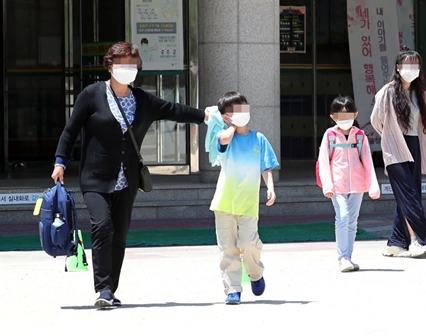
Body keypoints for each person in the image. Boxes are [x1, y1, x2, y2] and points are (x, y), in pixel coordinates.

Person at [51, 41, 210, 307]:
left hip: (128, 179)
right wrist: (60, 161)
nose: (129, 69)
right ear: (110, 66)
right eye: (123, 64)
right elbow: (71, 130)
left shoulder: (143, 100)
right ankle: (102, 289)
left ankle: (110, 290)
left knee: (120, 235)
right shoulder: (91, 94)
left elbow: (174, 110)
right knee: (102, 226)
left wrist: (205, 116)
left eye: (133, 65)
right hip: (95, 177)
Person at [207, 91, 278, 305]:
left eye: (243, 108)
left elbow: (265, 166)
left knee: (248, 244)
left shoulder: (259, 138)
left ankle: (255, 273)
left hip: (248, 202)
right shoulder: (223, 135)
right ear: (226, 117)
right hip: (224, 202)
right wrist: (229, 124)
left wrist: (271, 188)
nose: (241, 113)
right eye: (234, 111)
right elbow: (225, 139)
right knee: (227, 247)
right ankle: (233, 289)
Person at [370, 46, 426, 258]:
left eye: (415, 65)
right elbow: (375, 120)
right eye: (407, 65)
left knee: (410, 193)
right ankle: (417, 240)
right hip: (395, 147)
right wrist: (389, 136)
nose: (411, 69)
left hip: (414, 145)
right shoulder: (387, 91)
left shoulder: (420, 94)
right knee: (409, 194)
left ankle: (396, 242)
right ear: (398, 68)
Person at [318, 96, 380, 272]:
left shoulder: (360, 136)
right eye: (340, 115)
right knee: (343, 217)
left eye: (348, 114)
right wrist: (327, 185)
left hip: (358, 185)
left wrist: (373, 185)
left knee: (352, 222)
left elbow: (367, 161)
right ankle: (342, 257)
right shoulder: (330, 135)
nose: (344, 118)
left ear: (356, 114)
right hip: (337, 185)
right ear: (333, 116)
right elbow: (323, 161)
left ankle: (348, 257)